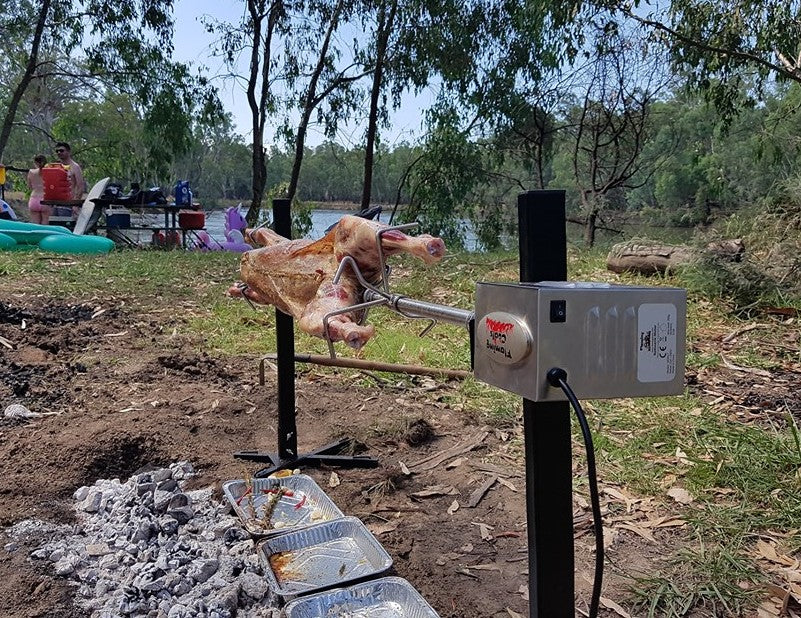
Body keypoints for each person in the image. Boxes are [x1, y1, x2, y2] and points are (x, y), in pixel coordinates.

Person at [26, 154, 50, 225]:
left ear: (35, 163)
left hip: (34, 199)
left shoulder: (31, 172)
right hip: (45, 200)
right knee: (45, 224)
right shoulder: (49, 172)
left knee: (35, 224)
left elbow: (29, 186)